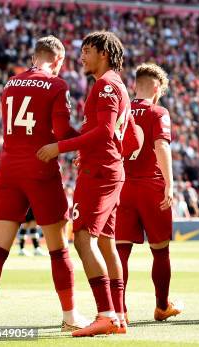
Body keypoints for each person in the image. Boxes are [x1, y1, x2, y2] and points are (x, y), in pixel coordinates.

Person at [0, 35, 88, 332]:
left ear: (34, 56)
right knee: (58, 249)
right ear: (58, 60)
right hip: (40, 168)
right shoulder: (57, 84)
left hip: (8, 168)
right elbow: (62, 131)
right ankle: (70, 315)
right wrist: (88, 138)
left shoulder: (10, 83)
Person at [37, 31, 140, 336]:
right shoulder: (117, 85)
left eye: (86, 51)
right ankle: (118, 314)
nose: (81, 56)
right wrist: (96, 153)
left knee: (83, 238)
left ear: (103, 54)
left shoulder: (107, 85)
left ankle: (106, 315)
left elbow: (106, 131)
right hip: (107, 169)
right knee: (106, 243)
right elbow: (131, 138)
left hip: (99, 174)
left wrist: (62, 147)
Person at [114, 63, 183, 323]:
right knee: (160, 250)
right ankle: (162, 306)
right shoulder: (157, 112)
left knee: (120, 251)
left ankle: (119, 310)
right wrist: (170, 183)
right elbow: (161, 146)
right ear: (157, 88)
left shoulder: (120, 110)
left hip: (122, 186)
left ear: (135, 86)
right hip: (151, 185)